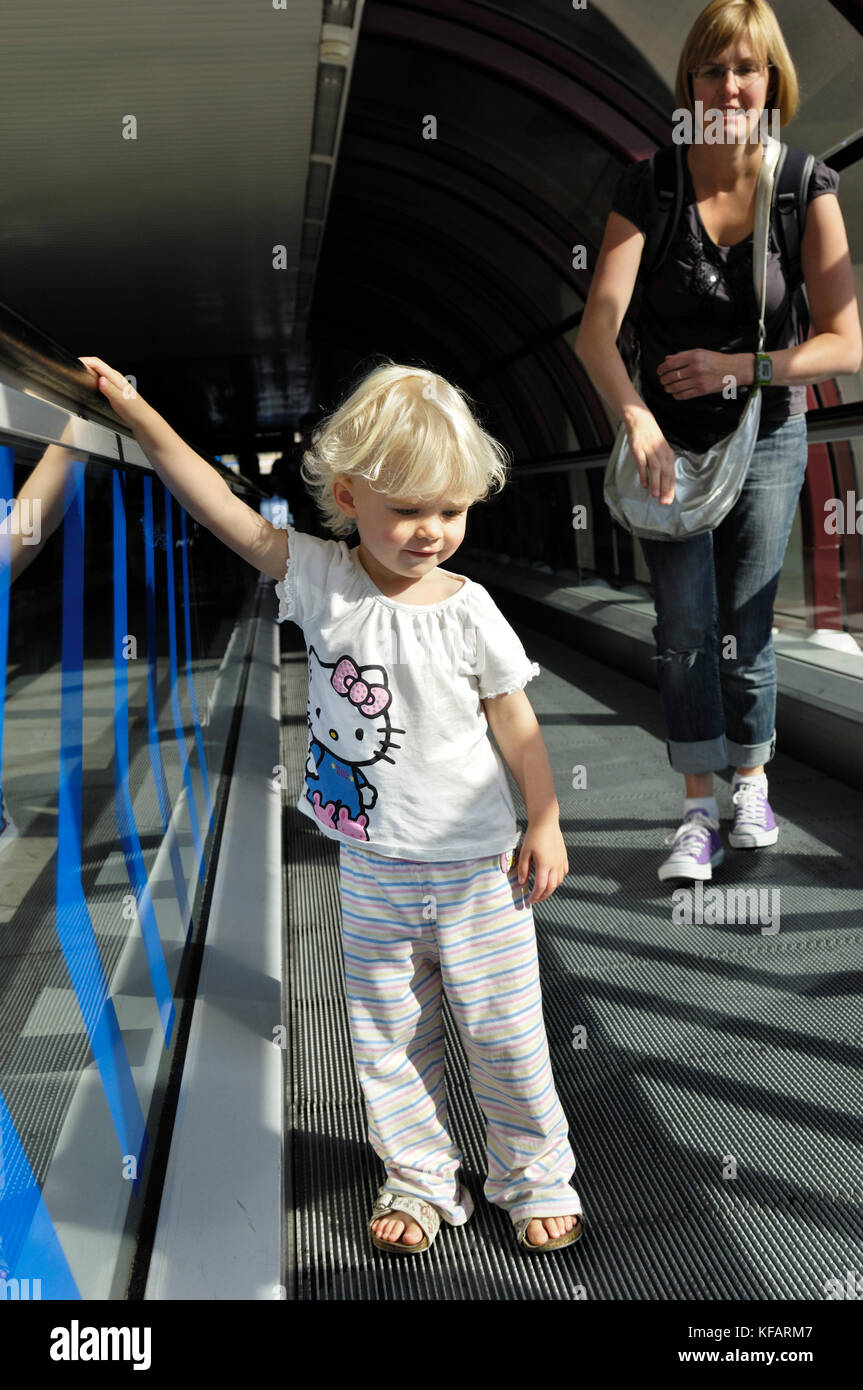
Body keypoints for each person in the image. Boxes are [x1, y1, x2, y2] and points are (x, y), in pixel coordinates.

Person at [78, 354, 583, 1256]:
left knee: (505, 1036)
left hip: (478, 871)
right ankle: (420, 1177)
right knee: (386, 1038)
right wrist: (137, 410)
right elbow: (219, 508)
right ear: (348, 498)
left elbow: (515, 721)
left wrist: (544, 819)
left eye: (451, 511)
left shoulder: (471, 610)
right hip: (375, 868)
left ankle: (533, 1174)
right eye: (408, 511)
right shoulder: (317, 577)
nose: (430, 532)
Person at [576, 0, 862, 882]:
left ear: (772, 81)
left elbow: (846, 342)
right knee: (684, 627)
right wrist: (636, 417)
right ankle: (695, 807)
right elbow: (596, 332)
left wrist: (742, 365)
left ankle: (749, 781)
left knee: (747, 623)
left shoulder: (803, 184)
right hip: (669, 442)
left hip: (768, 432)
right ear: (688, 84)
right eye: (712, 70)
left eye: (747, 69)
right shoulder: (649, 187)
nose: (730, 86)